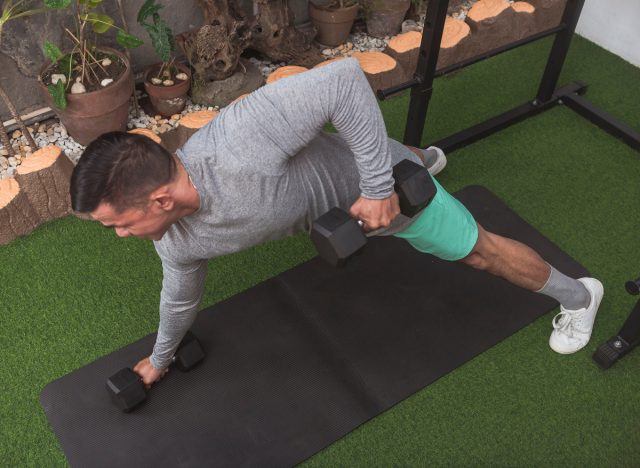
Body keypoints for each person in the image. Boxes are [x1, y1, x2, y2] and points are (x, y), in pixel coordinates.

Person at [70, 58, 603, 387]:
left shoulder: (239, 141)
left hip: (380, 198)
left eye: (119, 224)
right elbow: (180, 299)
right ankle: (424, 159)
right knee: (400, 159)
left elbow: (344, 81)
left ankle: (580, 296)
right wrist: (160, 360)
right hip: (344, 195)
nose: (120, 237)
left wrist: (377, 190)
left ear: (160, 198)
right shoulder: (177, 240)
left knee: (478, 251)